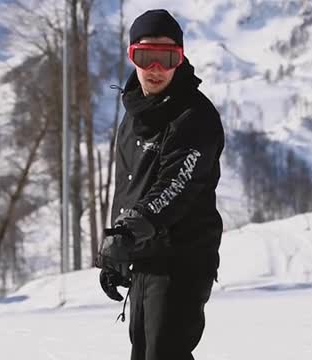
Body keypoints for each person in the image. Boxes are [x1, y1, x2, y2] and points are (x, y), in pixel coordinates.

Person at [96, 8, 225, 360]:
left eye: (166, 58)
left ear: (179, 61)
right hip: (147, 258)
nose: (155, 69)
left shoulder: (195, 117)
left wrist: (126, 234)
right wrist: (115, 251)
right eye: (145, 56)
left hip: (182, 261)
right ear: (131, 56)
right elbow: (129, 186)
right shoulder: (135, 114)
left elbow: (176, 186)